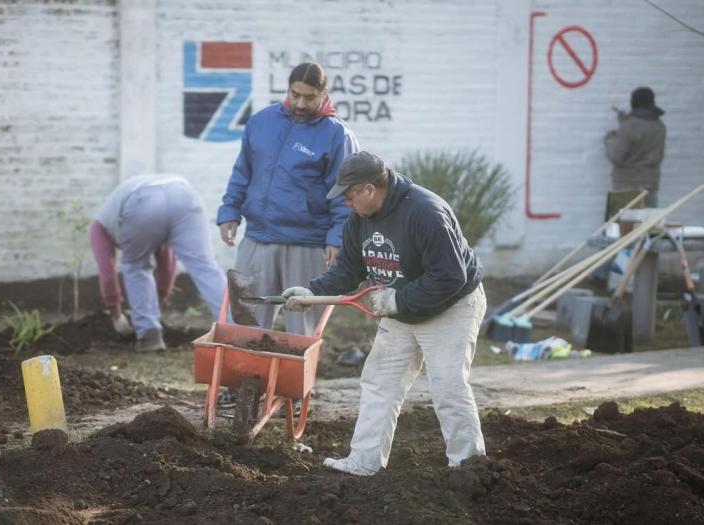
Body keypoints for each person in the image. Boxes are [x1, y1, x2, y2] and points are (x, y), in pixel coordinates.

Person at [283, 151, 486, 476]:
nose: (346, 203)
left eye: (349, 195)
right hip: (403, 305)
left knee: (447, 385)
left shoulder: (425, 212)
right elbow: (348, 269)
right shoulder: (359, 220)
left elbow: (451, 276)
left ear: (369, 189)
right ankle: (364, 460)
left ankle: (469, 467)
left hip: (452, 306)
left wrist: (399, 301)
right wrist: (312, 293)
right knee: (379, 382)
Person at [217, 61, 359, 335]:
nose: (301, 103)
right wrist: (230, 211)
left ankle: (295, 378)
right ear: (288, 90)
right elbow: (242, 172)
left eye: (309, 97)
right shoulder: (261, 122)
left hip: (307, 245)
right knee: (246, 320)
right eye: (295, 95)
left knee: (301, 329)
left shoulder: (337, 135)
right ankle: (247, 377)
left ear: (324, 94)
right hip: (258, 239)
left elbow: (346, 192)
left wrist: (337, 237)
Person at [90, 174, 226, 351]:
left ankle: (149, 336)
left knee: (135, 266)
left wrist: (117, 316)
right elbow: (168, 266)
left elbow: (107, 273)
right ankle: (236, 332)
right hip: (184, 193)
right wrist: (159, 301)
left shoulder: (98, 227)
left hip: (143, 200)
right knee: (205, 266)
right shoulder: (112, 219)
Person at [605, 87, 666, 207]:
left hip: (626, 186)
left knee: (624, 224)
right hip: (650, 184)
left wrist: (609, 141)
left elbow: (616, 158)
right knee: (649, 224)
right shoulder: (660, 126)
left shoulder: (629, 126)